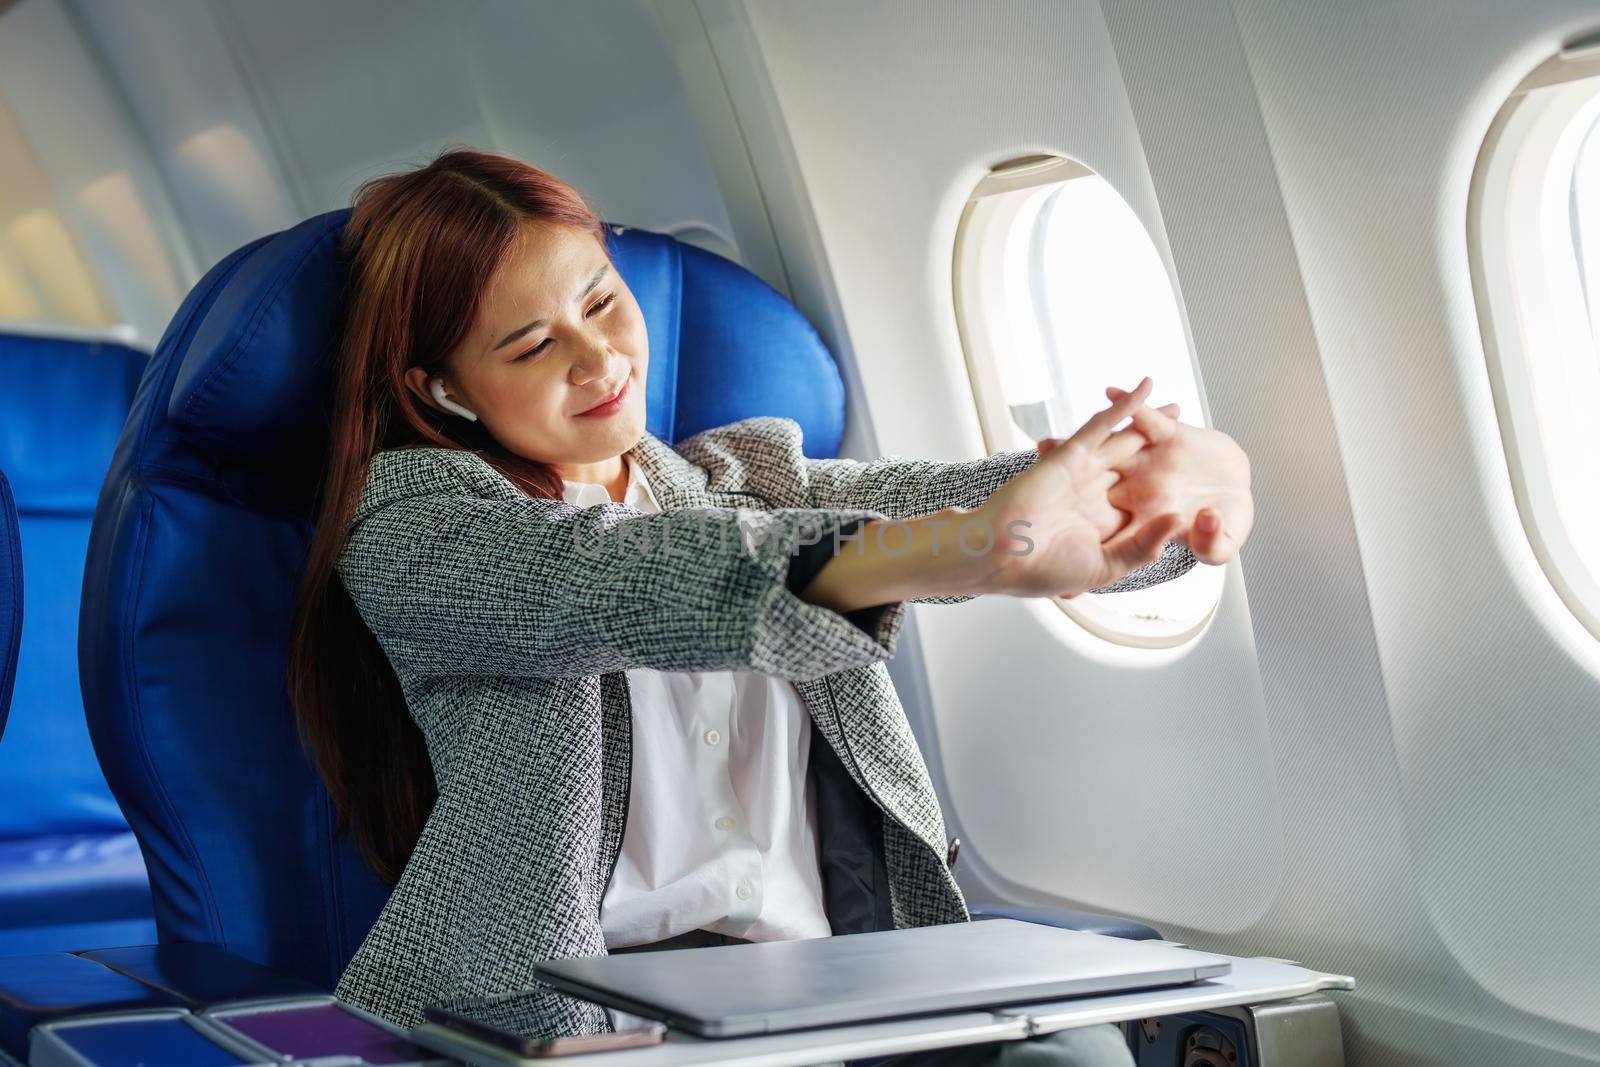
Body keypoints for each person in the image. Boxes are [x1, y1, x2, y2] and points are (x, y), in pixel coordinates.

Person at [286, 147, 1254, 1066]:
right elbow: (618, 578)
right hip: (591, 993)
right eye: (534, 344)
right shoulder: (415, 527)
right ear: (443, 386)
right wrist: (973, 544)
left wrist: (1179, 481)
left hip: (836, 960)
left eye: (601, 303)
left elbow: (995, 502)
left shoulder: (745, 482)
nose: (598, 359)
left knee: (1077, 1050)